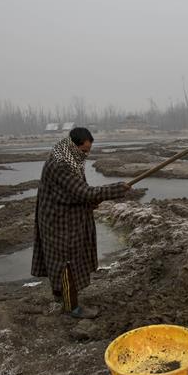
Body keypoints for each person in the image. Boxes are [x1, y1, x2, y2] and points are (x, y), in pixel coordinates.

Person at [31, 127, 129, 318]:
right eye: (84, 151)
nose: (86, 155)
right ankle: (72, 308)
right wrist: (116, 189)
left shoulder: (67, 156)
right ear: (74, 146)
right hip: (59, 222)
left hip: (63, 216)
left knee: (61, 260)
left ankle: (60, 296)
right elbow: (82, 192)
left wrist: (90, 202)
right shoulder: (61, 165)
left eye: (88, 151)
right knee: (66, 263)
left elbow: (74, 191)